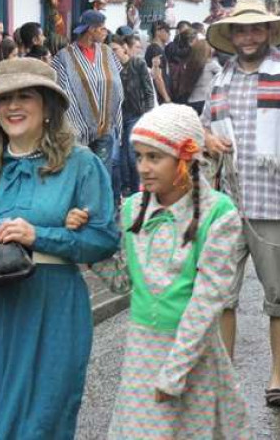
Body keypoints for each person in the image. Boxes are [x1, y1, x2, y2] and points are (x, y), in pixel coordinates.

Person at [0, 58, 118, 440]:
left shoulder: (81, 164)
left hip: (52, 306)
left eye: (25, 96)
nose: (12, 106)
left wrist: (38, 235)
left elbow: (104, 239)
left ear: (48, 107)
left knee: (44, 420)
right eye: (3, 99)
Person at [90, 103, 251, 438]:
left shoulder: (217, 214)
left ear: (185, 158)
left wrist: (175, 372)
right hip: (141, 352)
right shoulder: (135, 207)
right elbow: (123, 283)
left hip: (189, 354)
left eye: (155, 157)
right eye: (139, 156)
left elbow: (208, 302)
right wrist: (91, 247)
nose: (143, 168)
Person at [202, 0, 280, 409]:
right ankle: (226, 378)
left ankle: (278, 376)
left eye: (256, 29)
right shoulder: (219, 80)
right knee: (222, 295)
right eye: (240, 30)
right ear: (230, 36)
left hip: (278, 202)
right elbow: (206, 129)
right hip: (226, 203)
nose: (247, 36)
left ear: (268, 33)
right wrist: (207, 138)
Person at [51, 9, 123, 177]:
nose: (106, 32)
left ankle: (102, 203)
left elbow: (117, 81)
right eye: (102, 28)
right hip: (76, 127)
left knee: (102, 173)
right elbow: (58, 86)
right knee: (78, 171)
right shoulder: (65, 56)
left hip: (105, 125)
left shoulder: (107, 53)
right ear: (92, 29)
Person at [110, 35, 154, 198]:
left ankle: (136, 192)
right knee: (118, 157)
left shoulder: (137, 63)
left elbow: (148, 90)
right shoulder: (111, 68)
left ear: (125, 48)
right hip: (117, 117)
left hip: (136, 114)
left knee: (131, 154)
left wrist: (148, 114)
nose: (113, 53)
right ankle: (124, 190)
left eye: (115, 49)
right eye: (110, 51)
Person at [187, 36, 222, 115]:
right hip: (205, 101)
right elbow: (224, 74)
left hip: (191, 101)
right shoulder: (211, 64)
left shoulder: (190, 64)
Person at [144, 20, 172, 103]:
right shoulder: (155, 50)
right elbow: (157, 76)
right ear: (158, 32)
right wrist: (166, 97)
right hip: (159, 97)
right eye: (167, 31)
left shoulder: (157, 49)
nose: (169, 34)